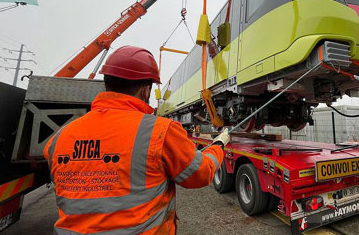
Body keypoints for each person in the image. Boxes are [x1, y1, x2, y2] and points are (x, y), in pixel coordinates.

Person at [44, 45, 229, 235]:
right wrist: (218, 145)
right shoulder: (160, 132)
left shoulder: (59, 138)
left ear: (107, 83)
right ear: (145, 91)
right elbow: (200, 173)